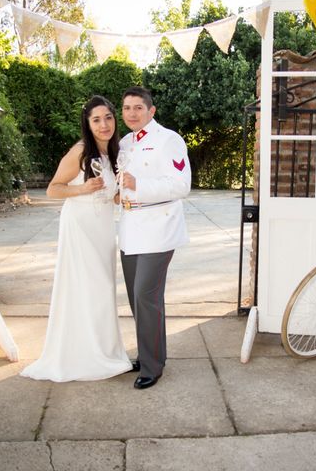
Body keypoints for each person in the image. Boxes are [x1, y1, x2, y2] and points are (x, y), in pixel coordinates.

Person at [20, 95, 132, 382]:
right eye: (96, 119)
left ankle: (105, 351)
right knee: (87, 289)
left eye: (108, 117)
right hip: (80, 228)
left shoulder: (115, 153)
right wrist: (83, 189)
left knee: (103, 290)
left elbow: (110, 193)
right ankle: (85, 356)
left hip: (104, 229)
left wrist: (120, 194)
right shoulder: (81, 151)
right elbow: (53, 189)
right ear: (87, 123)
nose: (104, 124)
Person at [118, 86, 191, 390]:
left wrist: (139, 185)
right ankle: (151, 353)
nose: (132, 113)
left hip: (160, 228)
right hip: (130, 227)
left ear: (152, 111)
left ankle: (152, 366)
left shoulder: (169, 140)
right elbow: (119, 180)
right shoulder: (123, 143)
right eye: (126, 108)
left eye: (138, 107)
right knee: (139, 300)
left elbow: (181, 185)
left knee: (145, 295)